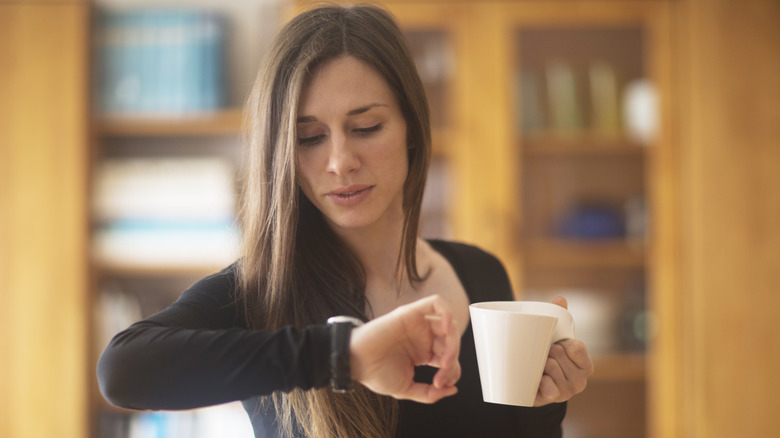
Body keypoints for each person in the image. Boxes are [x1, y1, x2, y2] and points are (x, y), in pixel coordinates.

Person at [97, 4, 594, 437]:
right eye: (310, 137)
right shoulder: (258, 294)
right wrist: (344, 354)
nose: (340, 161)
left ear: (411, 130)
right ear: (282, 154)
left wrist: (546, 405)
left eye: (365, 127)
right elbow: (122, 370)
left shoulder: (481, 275)